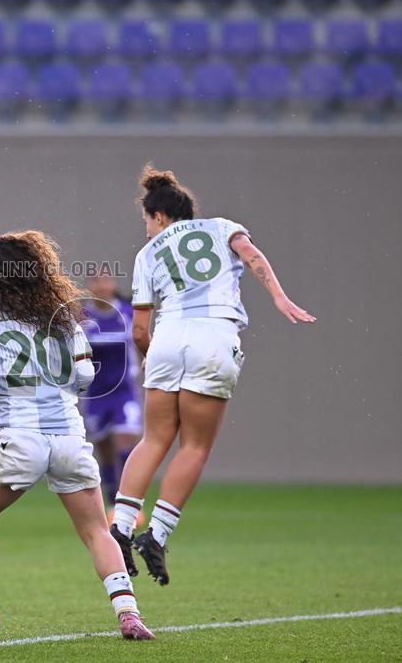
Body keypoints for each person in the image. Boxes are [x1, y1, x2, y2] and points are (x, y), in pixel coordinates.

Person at [110, 165, 316, 586]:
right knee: (196, 445)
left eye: (147, 220)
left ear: (160, 216)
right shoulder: (222, 227)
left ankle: (121, 525)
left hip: (168, 337)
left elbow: (138, 330)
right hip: (214, 333)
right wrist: (279, 297)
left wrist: (151, 355)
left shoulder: (147, 255)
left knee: (154, 439)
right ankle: (158, 536)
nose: (147, 229)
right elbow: (252, 255)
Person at [0, 230, 155, 641]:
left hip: (20, 440)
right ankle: (129, 614)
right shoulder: (66, 316)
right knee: (97, 531)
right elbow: (83, 377)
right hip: (69, 439)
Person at [81, 275, 143, 511]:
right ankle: (111, 499)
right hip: (95, 393)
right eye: (97, 281)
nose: (103, 286)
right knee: (104, 449)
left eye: (107, 281)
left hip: (124, 390)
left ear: (113, 286)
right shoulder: (83, 318)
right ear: (91, 288)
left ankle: (130, 502)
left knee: (125, 442)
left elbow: (142, 339)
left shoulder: (127, 313)